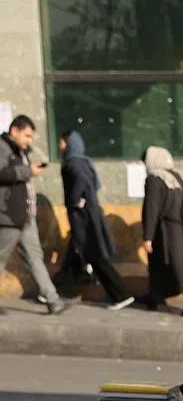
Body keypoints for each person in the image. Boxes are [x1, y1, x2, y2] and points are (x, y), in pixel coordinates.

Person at [0, 115, 68, 314]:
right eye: (27, 136)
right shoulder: (2, 148)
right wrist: (27, 171)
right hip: (9, 216)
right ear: (14, 131)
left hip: (26, 215)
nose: (29, 141)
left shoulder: (21, 151)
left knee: (35, 258)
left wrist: (28, 164)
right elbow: (2, 173)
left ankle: (53, 300)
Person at [58, 131, 132, 309]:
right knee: (81, 254)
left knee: (95, 256)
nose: (60, 146)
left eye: (61, 142)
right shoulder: (84, 161)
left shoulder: (73, 162)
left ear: (69, 143)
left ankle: (121, 294)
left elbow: (81, 180)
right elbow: (93, 183)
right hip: (87, 215)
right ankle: (54, 292)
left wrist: (75, 200)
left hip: (82, 218)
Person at [140, 146, 183, 316]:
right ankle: (155, 297)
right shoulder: (178, 178)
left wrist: (148, 236)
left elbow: (151, 209)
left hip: (166, 232)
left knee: (173, 267)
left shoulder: (155, 179)